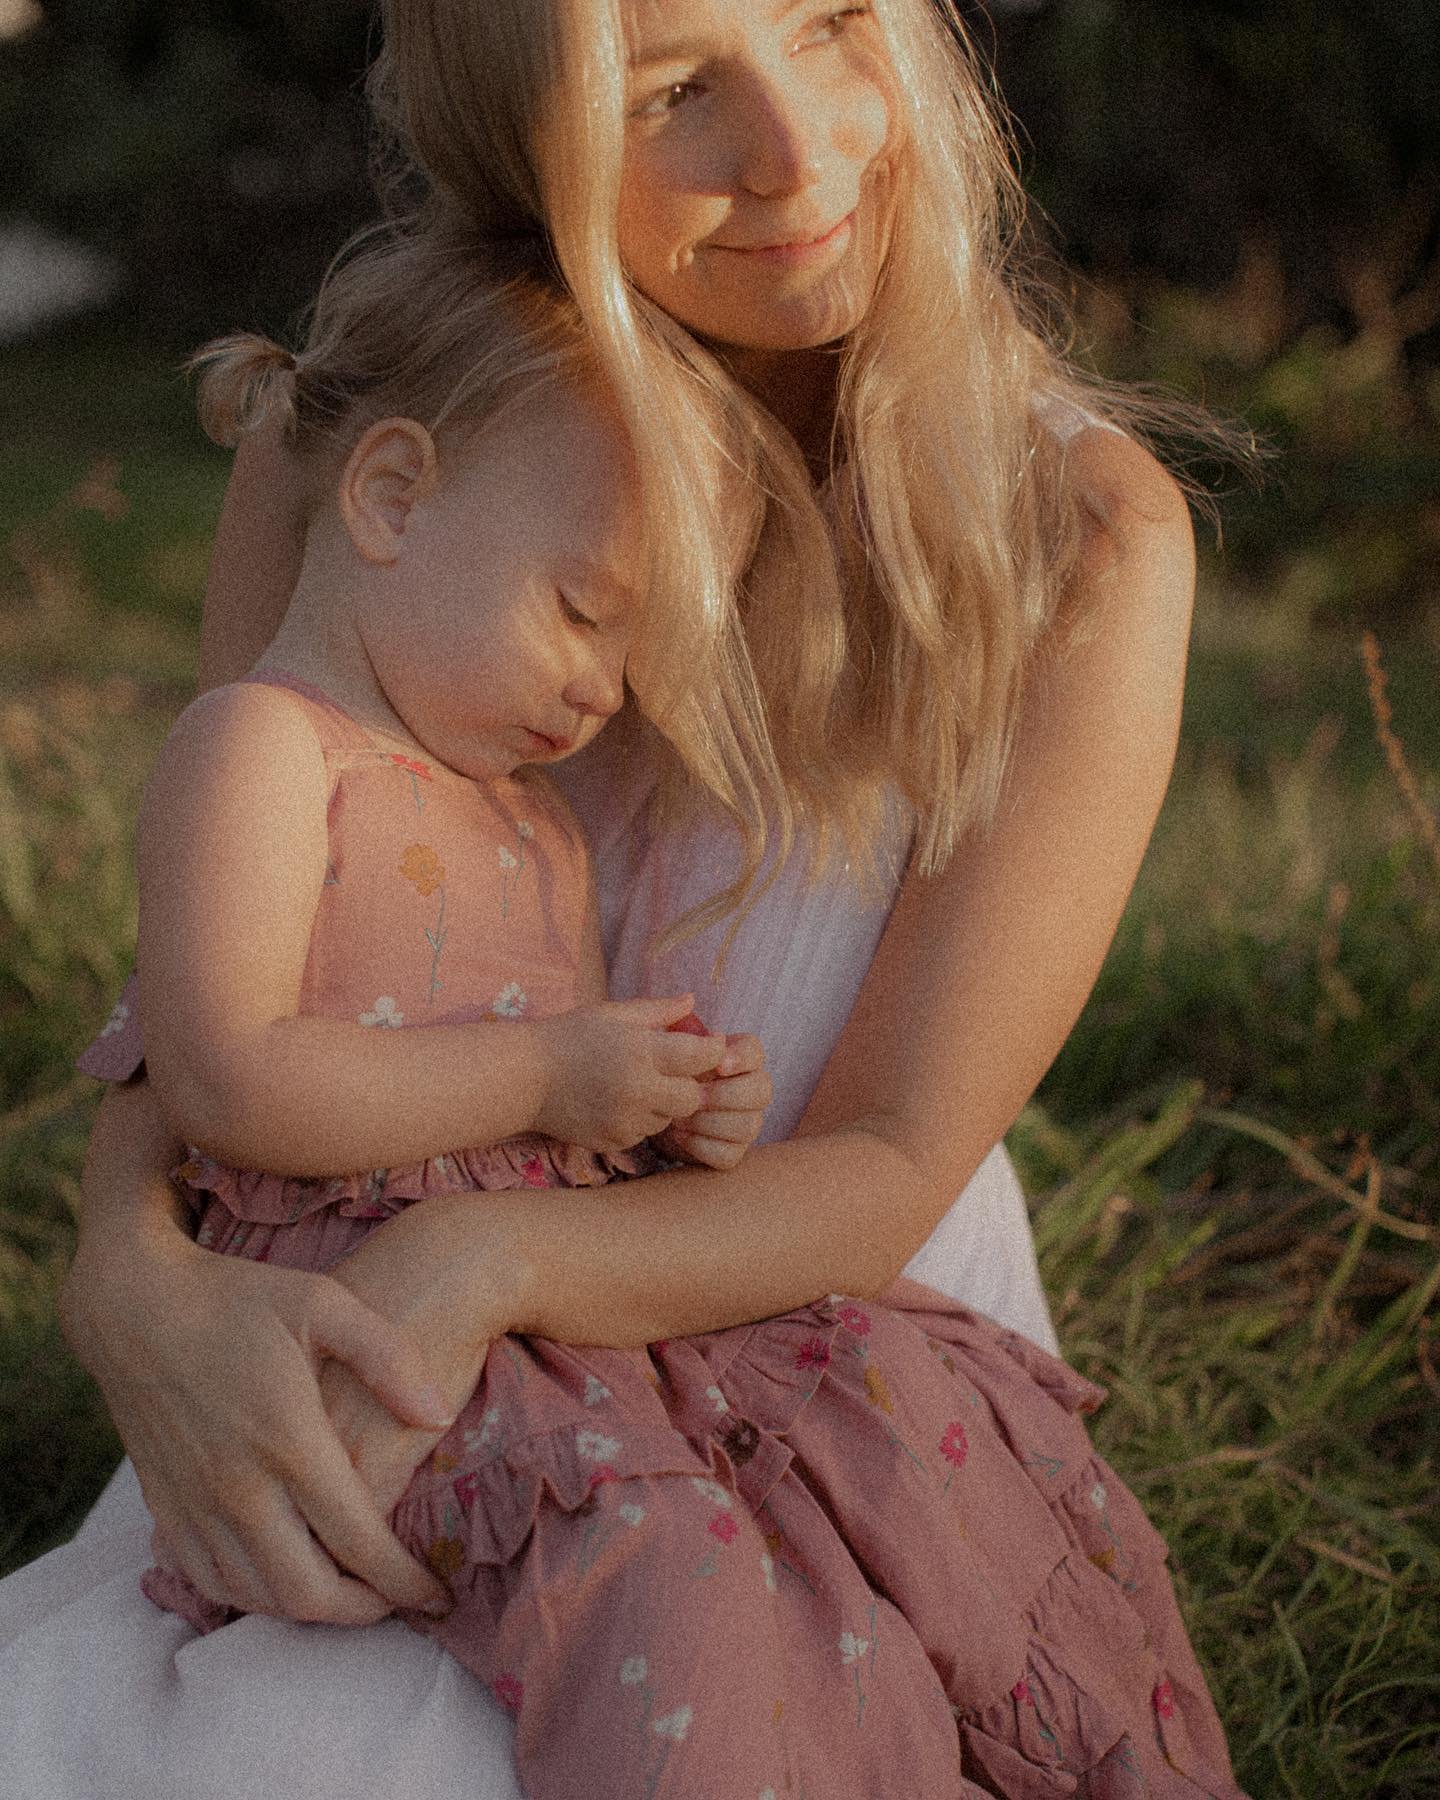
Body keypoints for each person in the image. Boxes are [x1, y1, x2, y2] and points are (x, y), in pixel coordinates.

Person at [0, 1, 1243, 1795]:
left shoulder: (1081, 540)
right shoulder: (375, 441)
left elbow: (888, 1164)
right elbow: (223, 966)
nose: (801, 151)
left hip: (804, 1318)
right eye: (672, 92)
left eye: (830, 21)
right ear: (528, 142)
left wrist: (491, 1253)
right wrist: (128, 1276)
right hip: (366, 1310)